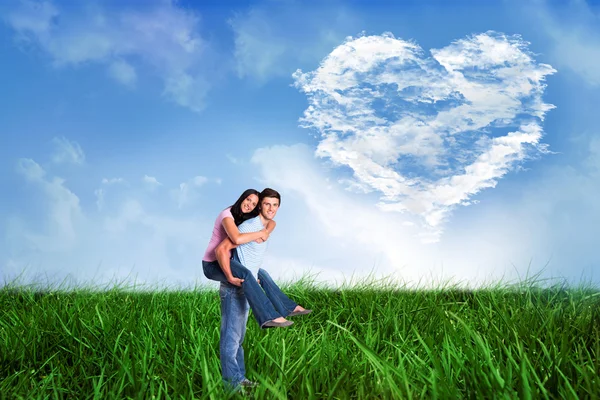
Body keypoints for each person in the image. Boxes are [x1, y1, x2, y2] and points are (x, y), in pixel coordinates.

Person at [202, 188, 311, 390]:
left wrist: (266, 231)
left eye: (275, 205)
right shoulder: (238, 221)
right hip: (218, 269)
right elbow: (222, 249)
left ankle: (239, 378)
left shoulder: (262, 223)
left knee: (238, 336)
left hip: (239, 280)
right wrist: (229, 276)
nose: (270, 208)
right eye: (265, 204)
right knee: (231, 337)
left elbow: (271, 223)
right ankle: (231, 385)